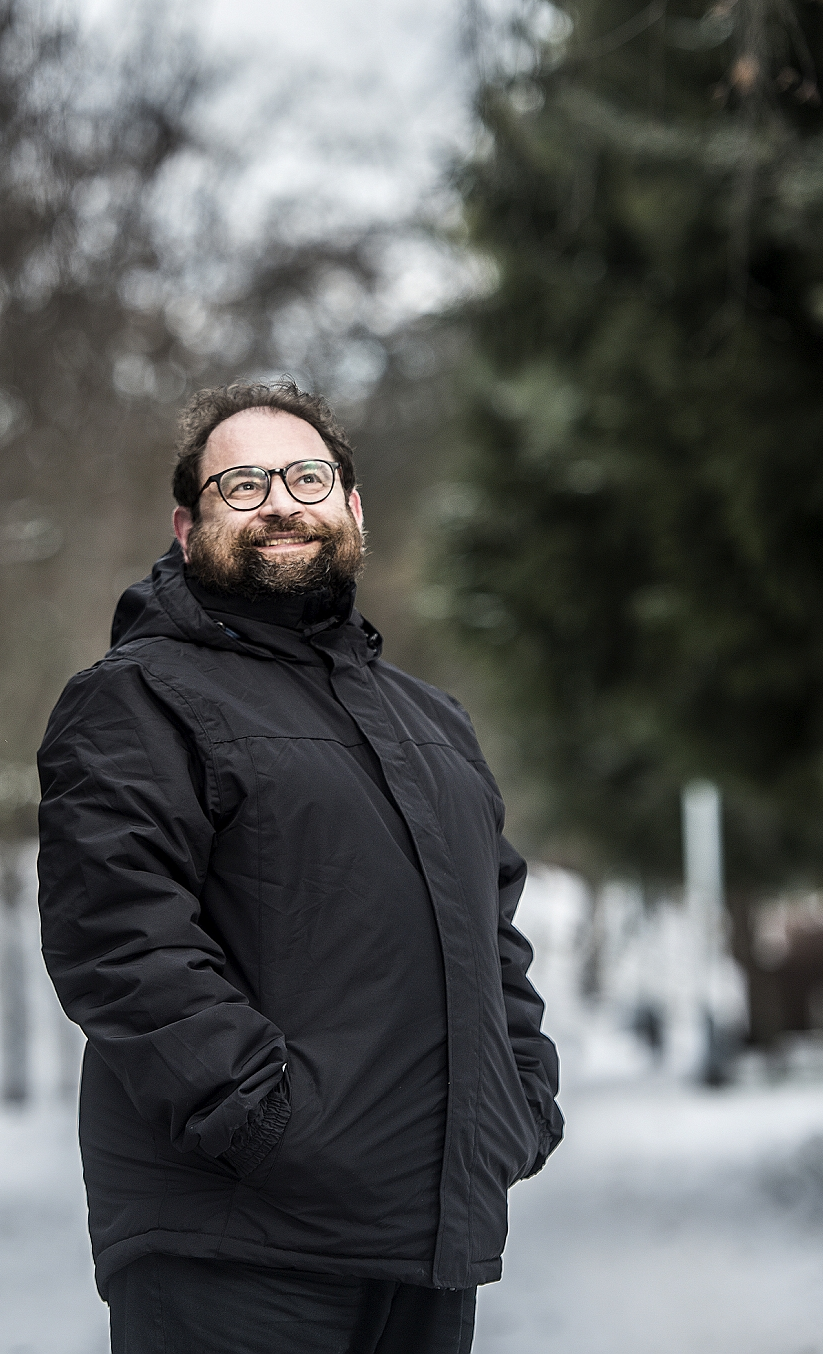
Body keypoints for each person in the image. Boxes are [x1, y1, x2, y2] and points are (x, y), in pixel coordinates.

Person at [37, 380, 563, 1354]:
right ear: (187, 527)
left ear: (353, 507)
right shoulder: (137, 698)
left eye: (307, 478)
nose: (281, 502)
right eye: (242, 485)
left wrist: (518, 1099)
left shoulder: (434, 725)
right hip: (233, 1245)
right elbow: (118, 942)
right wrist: (266, 1123)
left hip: (428, 1243)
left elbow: (494, 938)